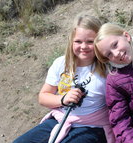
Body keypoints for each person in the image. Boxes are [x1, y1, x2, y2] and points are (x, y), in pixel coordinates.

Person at [13, 15, 115, 143]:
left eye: (90, 41)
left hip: (93, 126)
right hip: (61, 118)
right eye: (78, 41)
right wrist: (63, 99)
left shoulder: (108, 69)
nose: (84, 46)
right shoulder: (61, 64)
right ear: (71, 41)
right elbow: (43, 97)